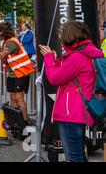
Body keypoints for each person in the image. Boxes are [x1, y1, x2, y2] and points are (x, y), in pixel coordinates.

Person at [40, 21, 103, 162]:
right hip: (78, 112)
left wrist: (49, 58)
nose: (61, 38)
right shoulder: (86, 53)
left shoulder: (77, 57)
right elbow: (66, 76)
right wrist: (56, 61)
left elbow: (55, 78)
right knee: (79, 156)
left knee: (74, 158)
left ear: (68, 36)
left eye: (62, 35)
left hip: (71, 114)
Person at [0, 22, 35, 125]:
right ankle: (15, 122)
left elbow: (2, 55)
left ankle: (24, 123)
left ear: (3, 32)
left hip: (21, 73)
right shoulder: (4, 42)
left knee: (19, 98)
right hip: (12, 74)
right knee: (12, 98)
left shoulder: (11, 42)